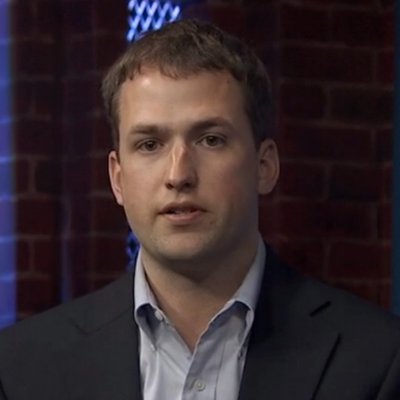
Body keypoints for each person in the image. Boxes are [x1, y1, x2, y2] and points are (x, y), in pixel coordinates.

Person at [0, 19, 400, 400]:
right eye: (149, 145)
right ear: (117, 178)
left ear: (264, 167)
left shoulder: (377, 357)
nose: (179, 175)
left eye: (210, 139)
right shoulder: (20, 367)